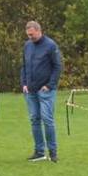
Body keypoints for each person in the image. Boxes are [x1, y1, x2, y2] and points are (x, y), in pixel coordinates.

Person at [20, 20, 62, 162]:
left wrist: (50, 85)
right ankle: (39, 152)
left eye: (32, 34)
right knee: (34, 120)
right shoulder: (27, 46)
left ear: (39, 31)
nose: (30, 37)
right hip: (30, 90)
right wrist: (24, 83)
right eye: (28, 35)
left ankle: (53, 152)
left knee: (47, 119)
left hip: (46, 91)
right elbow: (24, 66)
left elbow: (57, 67)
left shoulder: (50, 45)